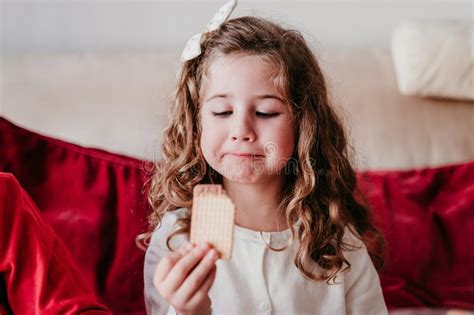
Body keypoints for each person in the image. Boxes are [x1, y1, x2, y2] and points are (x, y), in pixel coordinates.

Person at [140, 1, 388, 314]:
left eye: (265, 112)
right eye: (222, 111)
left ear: (304, 124)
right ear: (195, 122)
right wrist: (190, 310)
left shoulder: (336, 240)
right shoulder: (176, 238)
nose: (241, 130)